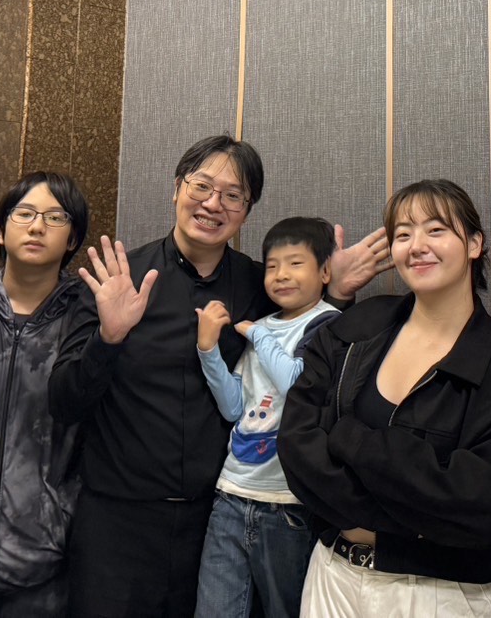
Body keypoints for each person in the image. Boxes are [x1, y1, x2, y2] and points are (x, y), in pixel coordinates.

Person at [48, 134, 391, 617]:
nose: (213, 204)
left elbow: (306, 360)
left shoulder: (261, 287)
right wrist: (109, 337)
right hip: (117, 524)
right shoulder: (120, 279)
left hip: (215, 523)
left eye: (233, 195)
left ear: (246, 212)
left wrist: (335, 295)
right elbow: (64, 403)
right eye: (202, 186)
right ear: (176, 188)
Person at [278, 179, 491, 617]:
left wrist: (350, 439)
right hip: (333, 576)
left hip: (443, 595)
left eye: (436, 230)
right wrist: (415, 514)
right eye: (403, 234)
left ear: (475, 244)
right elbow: (296, 446)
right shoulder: (355, 328)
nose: (417, 246)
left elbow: (474, 510)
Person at [0, 172, 91, 617]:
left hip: (48, 565)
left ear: (73, 239)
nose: (37, 226)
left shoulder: (87, 324)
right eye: (24, 213)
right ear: (0, 230)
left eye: (55, 217)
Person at [194, 216, 341, 618]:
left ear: (325, 271)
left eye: (295, 263)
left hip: (286, 504)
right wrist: (208, 351)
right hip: (231, 492)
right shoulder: (260, 326)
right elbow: (233, 408)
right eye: (272, 266)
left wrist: (260, 336)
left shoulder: (327, 324)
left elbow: (296, 385)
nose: (281, 275)